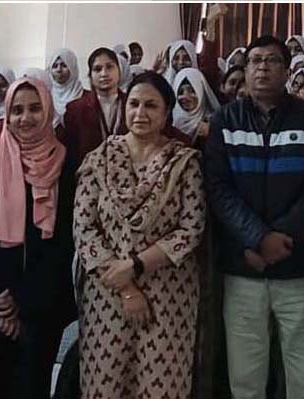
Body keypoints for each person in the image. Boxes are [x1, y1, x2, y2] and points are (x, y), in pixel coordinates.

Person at [204, 35, 304, 399]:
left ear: (287, 69)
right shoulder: (224, 120)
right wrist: (257, 238)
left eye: (272, 60)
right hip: (244, 267)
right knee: (245, 377)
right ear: (244, 71)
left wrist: (280, 239)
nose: (263, 67)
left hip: (301, 267)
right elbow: (218, 189)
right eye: (255, 61)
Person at [76, 71, 205, 399]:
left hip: (167, 294)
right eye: (133, 104)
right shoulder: (100, 158)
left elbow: (190, 229)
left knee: (161, 385)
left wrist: (134, 266)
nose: (140, 113)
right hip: (107, 294)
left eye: (151, 105)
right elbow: (84, 228)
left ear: (166, 113)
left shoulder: (184, 162)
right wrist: (126, 287)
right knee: (104, 384)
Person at [0, 78, 77, 399]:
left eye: (34, 108)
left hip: (44, 302)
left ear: (47, 111)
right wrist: (3, 301)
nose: (25, 118)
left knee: (32, 382)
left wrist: (22, 299)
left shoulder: (67, 163)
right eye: (16, 110)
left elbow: (64, 242)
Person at [173, 67, 220, 142]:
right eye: (180, 92)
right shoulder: (170, 123)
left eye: (192, 91)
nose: (186, 97)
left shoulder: (213, 124)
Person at [48, 48, 85, 121]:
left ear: (73, 68)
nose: (59, 70)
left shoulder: (87, 98)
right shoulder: (46, 97)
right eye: (55, 66)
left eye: (64, 65)